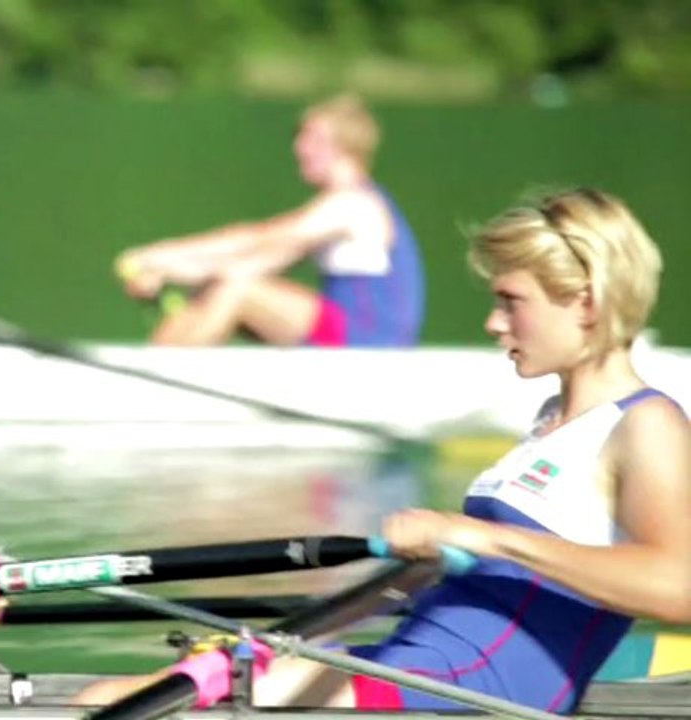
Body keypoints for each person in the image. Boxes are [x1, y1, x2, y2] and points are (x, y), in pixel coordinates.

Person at [75, 188, 690, 713]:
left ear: (585, 304)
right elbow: (474, 577)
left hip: (473, 693)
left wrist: (485, 537)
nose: (493, 323)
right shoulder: (551, 421)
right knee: (110, 696)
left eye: (511, 301)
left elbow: (678, 587)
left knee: (159, 700)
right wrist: (283, 638)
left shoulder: (647, 424)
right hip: (414, 664)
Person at [115, 94, 423, 347]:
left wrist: (159, 256)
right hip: (345, 334)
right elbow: (258, 259)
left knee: (238, 289)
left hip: (370, 342)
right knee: (222, 284)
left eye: (313, 138)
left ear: (346, 146)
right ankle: (152, 366)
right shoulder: (336, 209)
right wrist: (165, 268)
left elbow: (260, 239)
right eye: (299, 137)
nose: (299, 147)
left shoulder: (354, 204)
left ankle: (155, 377)